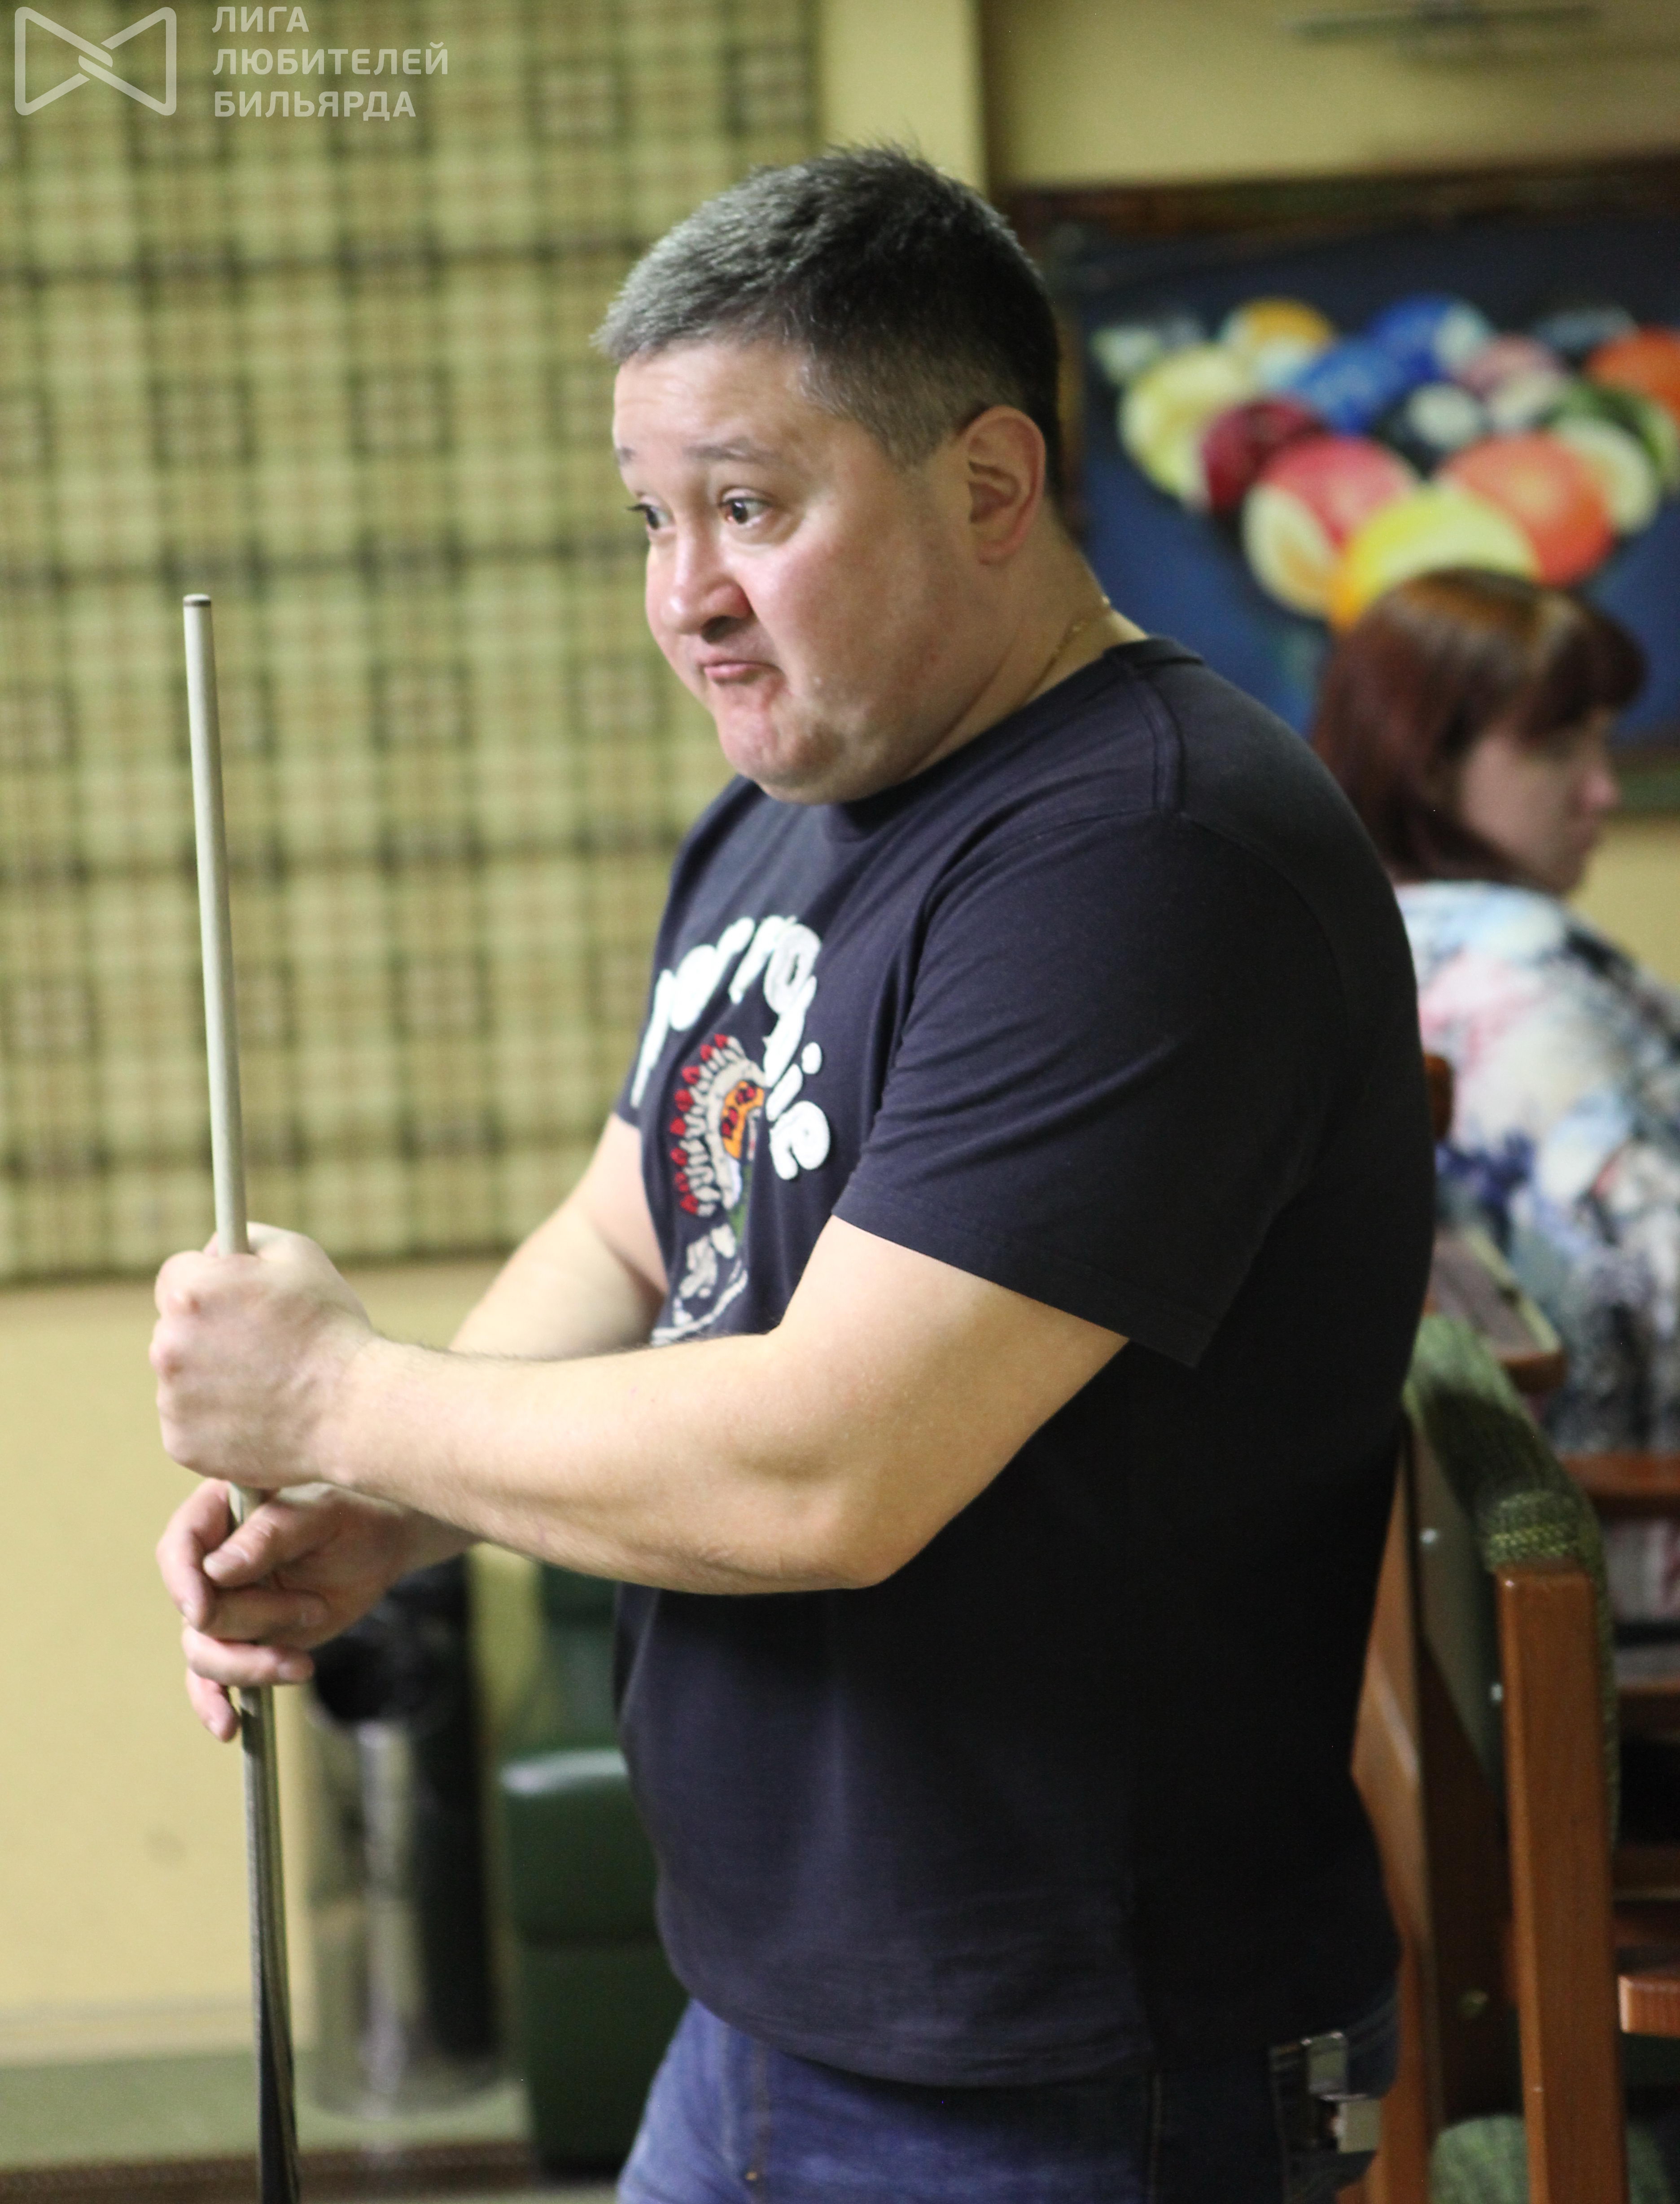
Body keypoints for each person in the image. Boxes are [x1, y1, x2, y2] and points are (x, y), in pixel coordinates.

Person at [152, 150, 1434, 2201]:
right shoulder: (795, 805)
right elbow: (631, 1225)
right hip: (767, 2008)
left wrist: (340, 1395)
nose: (685, 595)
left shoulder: (1148, 854)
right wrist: (382, 1504)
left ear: (990, 484)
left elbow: (831, 1470)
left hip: (1065, 2070)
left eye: (749, 506)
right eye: (651, 519)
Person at [1310, 569, 1680, 1625]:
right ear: (1431, 767)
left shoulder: (1362, 941)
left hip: (1482, 1578)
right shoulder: (1520, 975)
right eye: (1560, 750)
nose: (1601, 791)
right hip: (1634, 1552)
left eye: (1604, 745)